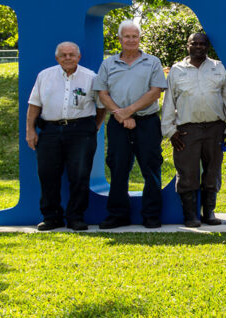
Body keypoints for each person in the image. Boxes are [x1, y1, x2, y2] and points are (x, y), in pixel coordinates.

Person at [94, 20, 169, 229]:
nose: (131, 40)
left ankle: (151, 215)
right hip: (118, 123)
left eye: (134, 36)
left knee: (151, 167)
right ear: (119, 39)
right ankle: (118, 215)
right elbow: (102, 93)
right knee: (118, 168)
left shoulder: (152, 62)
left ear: (139, 39)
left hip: (148, 122)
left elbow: (156, 91)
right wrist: (121, 115)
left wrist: (129, 111)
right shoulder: (108, 64)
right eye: (126, 36)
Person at [161, 32, 226, 227]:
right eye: (193, 43)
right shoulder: (177, 70)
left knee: (212, 171)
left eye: (202, 44)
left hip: (215, 128)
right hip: (187, 130)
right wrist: (170, 131)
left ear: (208, 47)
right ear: (187, 45)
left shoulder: (218, 67)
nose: (198, 46)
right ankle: (190, 216)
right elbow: (169, 102)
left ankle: (209, 213)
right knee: (187, 172)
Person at [25, 41, 103, 231]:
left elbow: (101, 107)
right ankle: (51, 218)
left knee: (80, 175)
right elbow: (34, 105)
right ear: (57, 58)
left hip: (81, 130)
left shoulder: (91, 77)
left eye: (72, 54)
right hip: (50, 130)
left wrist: (94, 127)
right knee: (47, 174)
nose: (68, 58)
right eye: (64, 55)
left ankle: (76, 217)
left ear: (79, 57)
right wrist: (30, 130)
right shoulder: (45, 76)